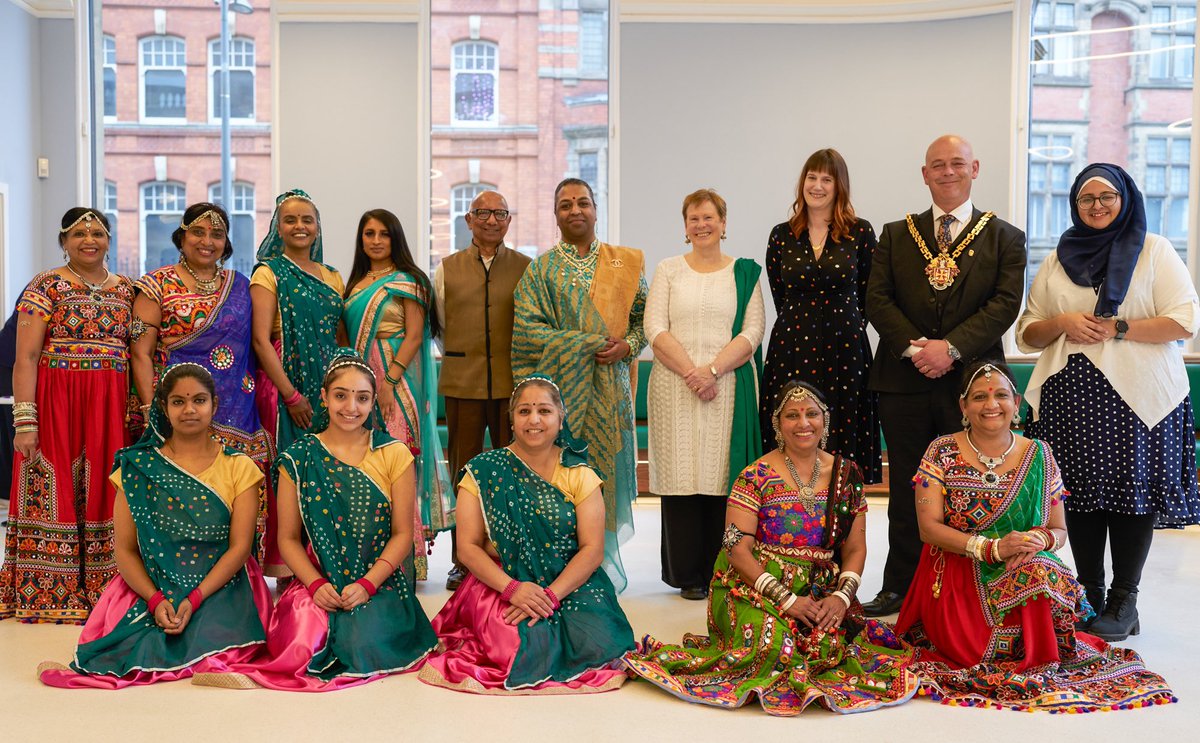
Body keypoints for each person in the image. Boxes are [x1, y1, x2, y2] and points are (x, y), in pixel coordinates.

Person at [894, 361, 1176, 712]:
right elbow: (928, 528)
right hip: (957, 569)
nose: (991, 404)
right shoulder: (941, 450)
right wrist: (992, 547)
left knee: (1041, 567)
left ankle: (1041, 655)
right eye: (979, 397)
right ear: (963, 406)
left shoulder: (1039, 453)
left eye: (1000, 395)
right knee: (978, 642)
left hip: (1021, 563)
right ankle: (1018, 649)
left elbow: (1058, 530)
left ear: (1016, 403)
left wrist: (1038, 542)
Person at [624, 381, 919, 715]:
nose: (803, 423)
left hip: (819, 586)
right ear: (778, 424)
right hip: (752, 583)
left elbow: (855, 548)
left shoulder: (846, 475)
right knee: (770, 645)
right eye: (792, 415)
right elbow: (736, 548)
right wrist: (788, 600)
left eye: (811, 414)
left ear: (825, 420)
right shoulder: (756, 475)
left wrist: (840, 597)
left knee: (831, 647)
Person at [1018, 163, 1200, 641]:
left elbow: (1184, 321)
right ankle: (1090, 594)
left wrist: (1118, 327)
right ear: (1075, 204)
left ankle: (1125, 599)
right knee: (1077, 495)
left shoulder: (1155, 250)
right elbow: (1028, 331)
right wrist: (1063, 321)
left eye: (1106, 197)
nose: (1096, 206)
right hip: (1070, 397)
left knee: (1130, 497)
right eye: (1086, 198)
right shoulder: (1059, 258)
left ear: (1125, 198)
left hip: (1139, 398)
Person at [193, 353, 437, 691]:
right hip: (316, 578)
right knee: (302, 638)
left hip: (380, 583)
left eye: (362, 398)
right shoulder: (299, 459)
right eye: (341, 395)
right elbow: (289, 539)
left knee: (363, 641)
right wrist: (315, 585)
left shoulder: (393, 453)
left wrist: (367, 585)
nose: (351, 406)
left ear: (372, 403)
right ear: (323, 396)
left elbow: (401, 534)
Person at [863, 134, 1027, 617]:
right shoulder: (896, 234)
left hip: (973, 385)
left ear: (975, 169)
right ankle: (901, 585)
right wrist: (919, 349)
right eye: (938, 165)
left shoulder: (1005, 236)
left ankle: (977, 585)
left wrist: (950, 350)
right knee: (908, 488)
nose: (948, 171)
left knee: (973, 484)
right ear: (925, 174)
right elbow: (878, 299)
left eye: (958, 163)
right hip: (903, 381)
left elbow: (1004, 305)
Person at [39, 364, 271, 688]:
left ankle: (210, 665)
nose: (189, 409)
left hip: (221, 582)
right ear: (163, 407)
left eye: (199, 401)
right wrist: (154, 599)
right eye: (178, 402)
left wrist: (195, 597)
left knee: (223, 637)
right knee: (135, 641)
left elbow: (240, 547)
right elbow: (125, 550)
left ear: (214, 405)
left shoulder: (240, 467)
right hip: (150, 583)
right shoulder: (136, 468)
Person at [418, 375, 635, 694]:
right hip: (499, 580)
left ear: (561, 419)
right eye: (524, 411)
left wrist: (551, 595)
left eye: (544, 411)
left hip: (569, 580)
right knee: (513, 648)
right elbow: (467, 548)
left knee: (601, 643)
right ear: (512, 419)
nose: (534, 420)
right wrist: (513, 589)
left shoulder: (580, 474)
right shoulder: (482, 471)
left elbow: (591, 550)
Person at [512, 178, 647, 590]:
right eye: (566, 204)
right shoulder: (541, 270)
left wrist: (628, 346)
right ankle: (557, 568)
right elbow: (526, 332)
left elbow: (643, 323)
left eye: (583, 203)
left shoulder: (624, 265)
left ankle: (598, 570)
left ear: (595, 209)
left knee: (602, 476)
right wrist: (584, 342)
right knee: (560, 476)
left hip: (610, 392)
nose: (575, 210)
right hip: (559, 396)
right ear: (555, 215)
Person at [0, 208, 134, 623]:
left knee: (106, 490)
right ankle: (47, 589)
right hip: (57, 403)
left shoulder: (127, 290)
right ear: (64, 241)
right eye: (78, 233)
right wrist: (25, 420)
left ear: (109, 240)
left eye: (97, 232)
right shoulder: (45, 285)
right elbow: (25, 357)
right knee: (53, 490)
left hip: (110, 407)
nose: (88, 239)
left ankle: (107, 587)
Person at [129, 202, 273, 559]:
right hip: (179, 410)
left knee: (237, 495)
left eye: (217, 234)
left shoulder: (239, 285)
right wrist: (150, 407)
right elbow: (140, 353)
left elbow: (257, 342)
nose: (207, 241)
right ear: (182, 236)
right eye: (198, 232)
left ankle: (241, 577)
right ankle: (181, 569)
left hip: (237, 412)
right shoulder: (155, 284)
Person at [645, 188, 765, 600]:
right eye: (693, 218)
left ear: (724, 223)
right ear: (685, 226)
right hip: (674, 387)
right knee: (682, 478)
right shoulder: (668, 269)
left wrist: (712, 370)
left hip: (727, 385)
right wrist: (692, 373)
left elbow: (753, 331)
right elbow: (655, 328)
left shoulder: (743, 272)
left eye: (709, 217)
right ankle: (687, 574)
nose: (702, 224)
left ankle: (723, 567)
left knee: (719, 478)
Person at [760, 148, 881, 483]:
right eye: (811, 177)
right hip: (792, 346)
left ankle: (843, 522)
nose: (817, 185)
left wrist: (847, 327)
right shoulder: (781, 235)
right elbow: (780, 295)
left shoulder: (861, 232)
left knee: (842, 431)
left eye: (826, 179)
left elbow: (871, 295)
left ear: (838, 185)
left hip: (844, 349)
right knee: (791, 428)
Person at [344, 208, 451, 583]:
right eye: (368, 233)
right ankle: (368, 555)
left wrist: (387, 381)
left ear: (395, 239)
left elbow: (416, 335)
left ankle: (405, 560)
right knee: (363, 462)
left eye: (383, 234)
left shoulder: (409, 281)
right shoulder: (355, 283)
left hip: (396, 380)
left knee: (397, 458)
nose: (375, 240)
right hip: (358, 383)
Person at [433, 190, 531, 591]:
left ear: (509, 220)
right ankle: (462, 559)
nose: (492, 220)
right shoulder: (447, 268)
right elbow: (438, 324)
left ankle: (515, 555)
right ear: (469, 220)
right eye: (483, 213)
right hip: (462, 382)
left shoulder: (527, 267)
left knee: (516, 472)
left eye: (500, 213)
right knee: (465, 474)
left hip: (514, 388)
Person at [250, 189, 345, 577]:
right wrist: (291, 395)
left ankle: (322, 564)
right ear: (278, 227)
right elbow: (259, 340)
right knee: (288, 476)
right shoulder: (268, 272)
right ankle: (286, 569)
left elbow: (339, 336)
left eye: (307, 219)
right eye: (290, 220)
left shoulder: (332, 276)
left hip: (326, 389)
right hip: (284, 388)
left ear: (318, 227)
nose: (300, 226)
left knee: (324, 475)